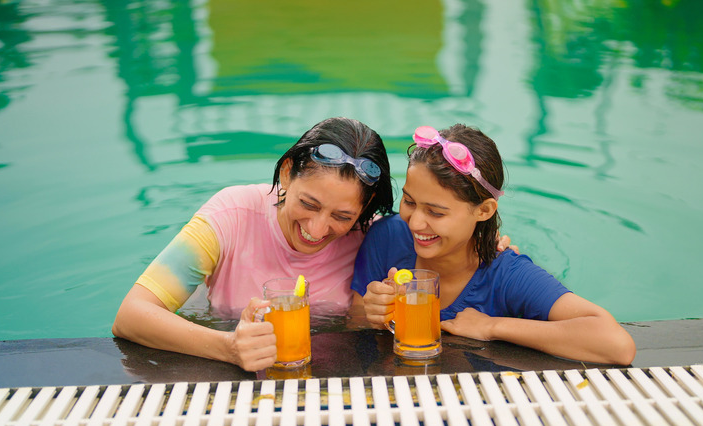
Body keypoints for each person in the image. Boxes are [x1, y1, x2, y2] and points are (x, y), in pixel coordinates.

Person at [113, 117, 395, 372]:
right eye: (308, 204)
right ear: (286, 173)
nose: (317, 229)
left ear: (365, 206)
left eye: (341, 216)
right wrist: (230, 347)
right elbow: (130, 316)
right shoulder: (231, 216)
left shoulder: (374, 239)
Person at [352, 124, 637, 366]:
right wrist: (371, 314)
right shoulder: (387, 238)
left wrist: (492, 326)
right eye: (410, 202)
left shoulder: (505, 275)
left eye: (436, 212)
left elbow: (617, 345)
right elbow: (352, 324)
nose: (414, 223)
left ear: (484, 210)